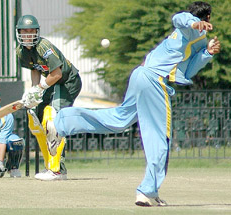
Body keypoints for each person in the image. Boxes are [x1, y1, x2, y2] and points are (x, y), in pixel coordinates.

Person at [43, 1, 220, 206]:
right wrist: (193, 23)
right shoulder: (190, 27)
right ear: (206, 18)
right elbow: (178, 18)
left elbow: (186, 71)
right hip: (154, 80)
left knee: (119, 119)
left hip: (141, 75)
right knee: (159, 137)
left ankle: (61, 121)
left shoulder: (195, 37)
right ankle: (147, 192)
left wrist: (207, 53)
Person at [16, 15, 82, 180]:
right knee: (38, 118)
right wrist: (33, 91)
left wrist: (40, 88)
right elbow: (35, 69)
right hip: (52, 83)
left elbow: (57, 73)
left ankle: (57, 170)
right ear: (19, 33)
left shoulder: (43, 46)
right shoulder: (21, 51)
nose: (28, 35)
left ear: (37, 32)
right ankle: (56, 166)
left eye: (31, 31)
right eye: (25, 31)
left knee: (52, 120)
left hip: (67, 81)